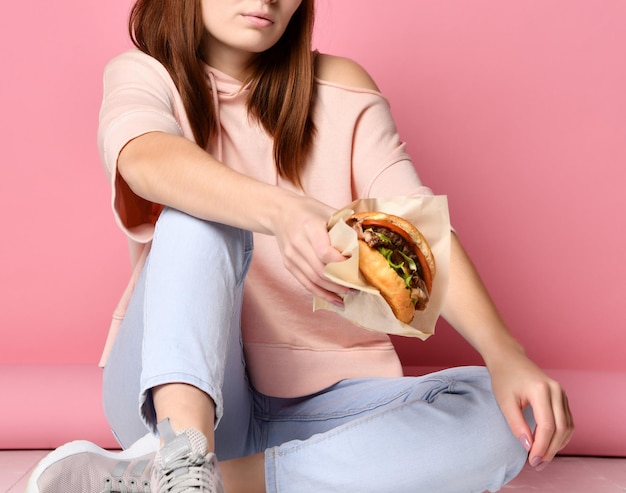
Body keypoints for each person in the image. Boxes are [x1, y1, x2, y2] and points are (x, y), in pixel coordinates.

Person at [26, 0, 574, 492]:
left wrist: (505, 353)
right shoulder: (146, 74)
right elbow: (144, 159)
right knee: (201, 214)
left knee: (505, 417)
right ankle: (181, 457)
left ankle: (193, 484)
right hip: (178, 388)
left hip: (323, 403)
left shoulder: (342, 88)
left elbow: (419, 235)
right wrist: (283, 212)